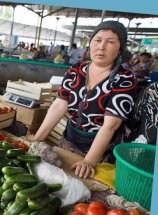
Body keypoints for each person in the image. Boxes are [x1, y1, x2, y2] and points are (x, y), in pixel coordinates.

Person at [27, 21, 137, 179]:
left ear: (120, 49)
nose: (101, 46)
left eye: (110, 42)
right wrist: (38, 137)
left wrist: (89, 161)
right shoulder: (76, 70)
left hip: (99, 151)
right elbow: (58, 106)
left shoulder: (124, 79)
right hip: (68, 141)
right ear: (91, 43)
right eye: (97, 40)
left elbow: (111, 125)